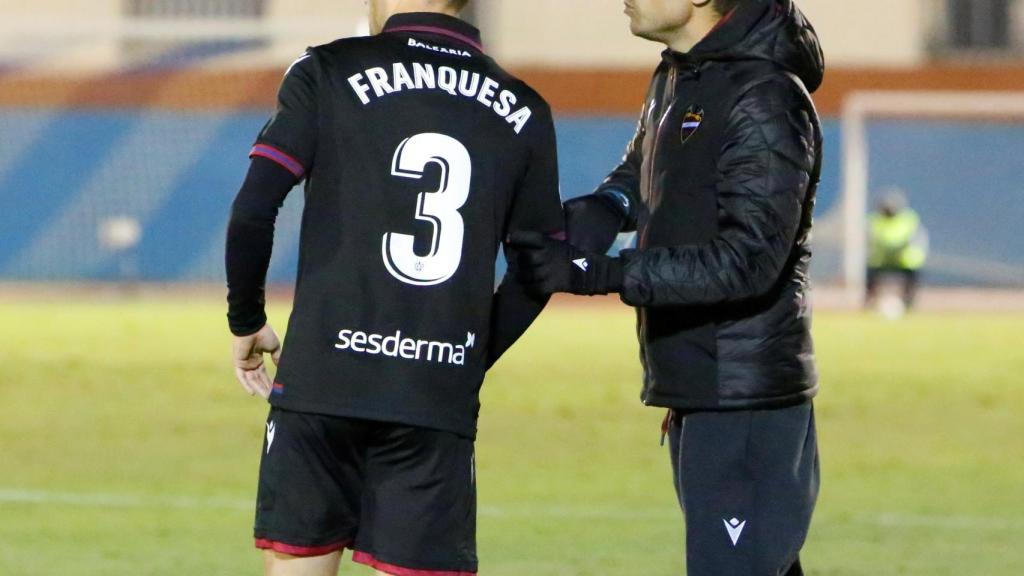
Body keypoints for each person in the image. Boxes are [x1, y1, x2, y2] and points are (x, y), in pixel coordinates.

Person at [224, 1, 563, 574]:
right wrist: (469, 356)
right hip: (433, 392)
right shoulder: (527, 110)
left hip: (322, 380)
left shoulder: (326, 70)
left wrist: (246, 318)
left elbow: (254, 211)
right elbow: (541, 268)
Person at [510, 0, 824, 574]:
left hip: (741, 400)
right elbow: (646, 166)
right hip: (699, 386)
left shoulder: (764, 96)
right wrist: (612, 203)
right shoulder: (679, 73)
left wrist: (603, 273)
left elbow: (747, 261)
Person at [866, 188, 928, 310]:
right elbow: (869, 239)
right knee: (870, 272)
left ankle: (909, 301)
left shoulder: (909, 219)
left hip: (903, 260)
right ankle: (869, 300)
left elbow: (917, 238)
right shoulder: (874, 220)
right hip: (882, 260)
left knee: (913, 270)